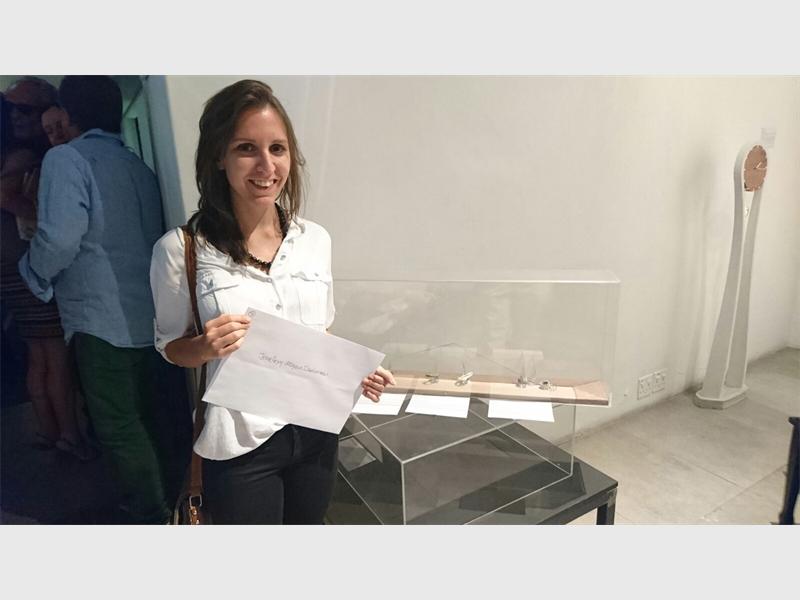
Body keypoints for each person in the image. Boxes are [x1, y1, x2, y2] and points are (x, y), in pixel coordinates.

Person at [150, 79, 395, 525]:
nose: (267, 165)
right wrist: (203, 347)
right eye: (246, 148)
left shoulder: (315, 239)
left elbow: (318, 334)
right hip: (240, 443)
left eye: (277, 148)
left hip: (316, 430)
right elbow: (170, 347)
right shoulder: (181, 249)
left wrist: (353, 371)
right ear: (219, 156)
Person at [18, 76, 172, 524]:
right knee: (149, 418)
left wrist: (33, 272)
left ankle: (151, 514)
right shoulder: (136, 165)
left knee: (118, 424)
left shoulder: (66, 158)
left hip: (100, 316)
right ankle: (167, 501)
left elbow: (59, 238)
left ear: (68, 114)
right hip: (153, 315)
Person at [1, 79, 92, 461]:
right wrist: (46, 216)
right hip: (29, 267)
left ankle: (49, 429)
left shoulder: (18, 153)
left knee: (39, 353)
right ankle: (69, 434)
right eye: (12, 109)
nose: (16, 116)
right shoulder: (26, 155)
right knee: (54, 354)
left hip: (12, 269)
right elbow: (6, 197)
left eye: (24, 109)